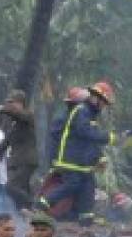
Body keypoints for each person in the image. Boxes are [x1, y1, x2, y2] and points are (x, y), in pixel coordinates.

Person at [38, 82, 115, 225]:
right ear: (96, 98)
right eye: (103, 102)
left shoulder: (89, 115)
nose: (104, 106)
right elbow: (85, 132)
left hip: (82, 163)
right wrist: (107, 137)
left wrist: (100, 157)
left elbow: (89, 142)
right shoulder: (81, 111)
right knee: (72, 184)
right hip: (71, 161)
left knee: (88, 188)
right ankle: (43, 203)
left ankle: (86, 221)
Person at [0, 90, 37, 210]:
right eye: (8, 103)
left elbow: (19, 115)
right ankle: (27, 218)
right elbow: (7, 140)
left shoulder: (28, 115)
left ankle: (33, 206)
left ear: (20, 103)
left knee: (11, 187)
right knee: (21, 193)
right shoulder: (14, 123)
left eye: (12, 103)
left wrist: (3, 109)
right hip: (16, 161)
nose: (10, 105)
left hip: (26, 160)